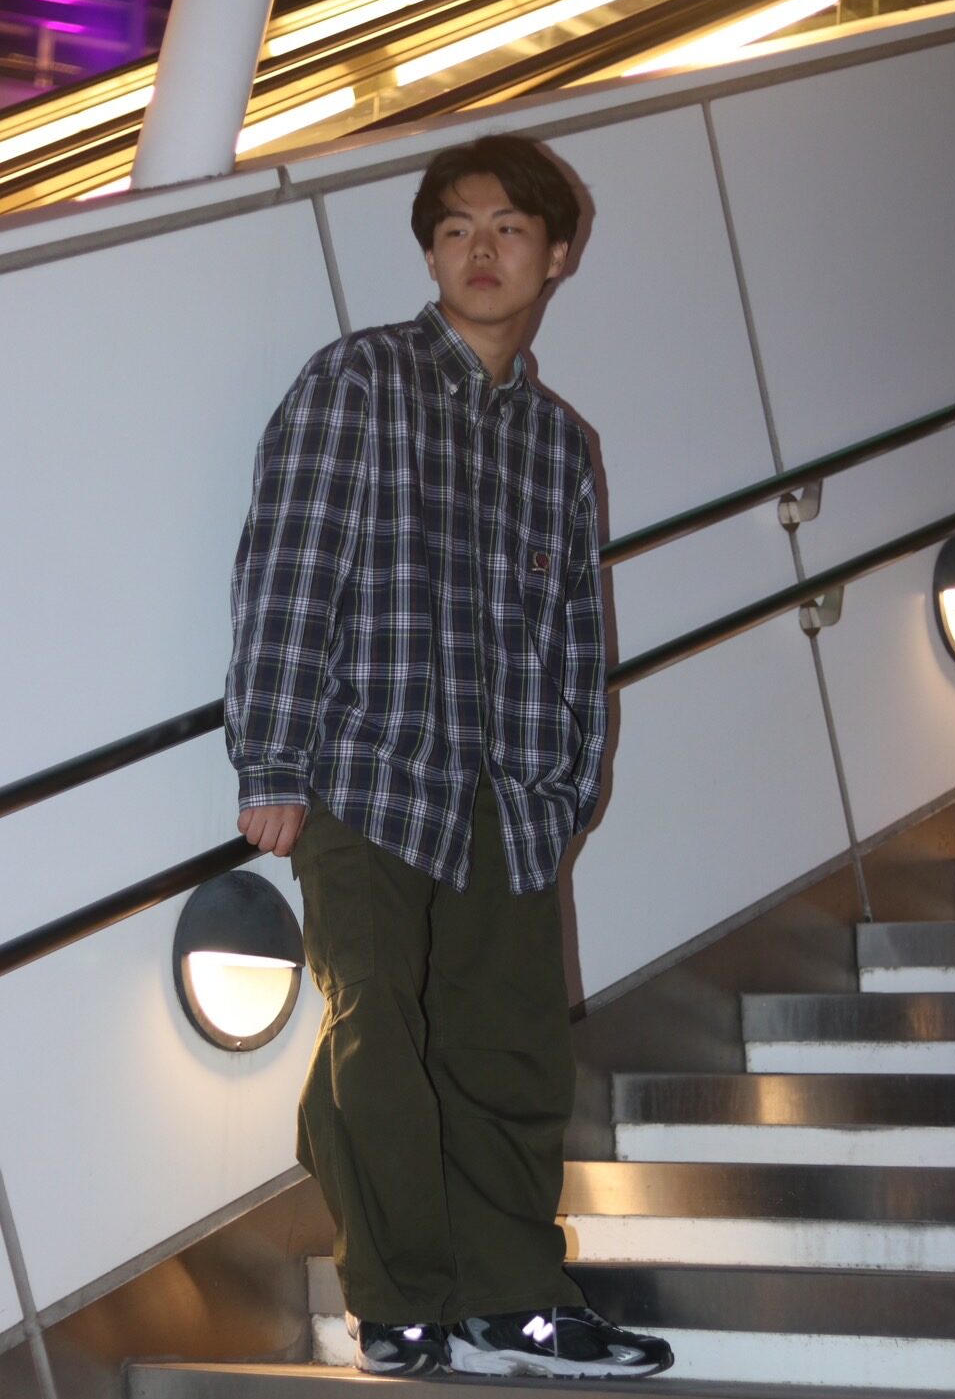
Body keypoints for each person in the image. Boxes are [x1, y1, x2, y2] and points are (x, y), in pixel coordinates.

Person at [224, 134, 673, 1380]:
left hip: (510, 798)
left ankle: (513, 1300)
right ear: (430, 253)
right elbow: (288, 573)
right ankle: (399, 1299)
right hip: (368, 779)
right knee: (376, 1037)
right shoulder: (357, 383)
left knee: (512, 1054)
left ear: (556, 254)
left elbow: (576, 631)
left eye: (510, 228)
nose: (482, 250)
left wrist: (570, 782)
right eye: (457, 229)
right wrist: (272, 759)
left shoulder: (558, 443)